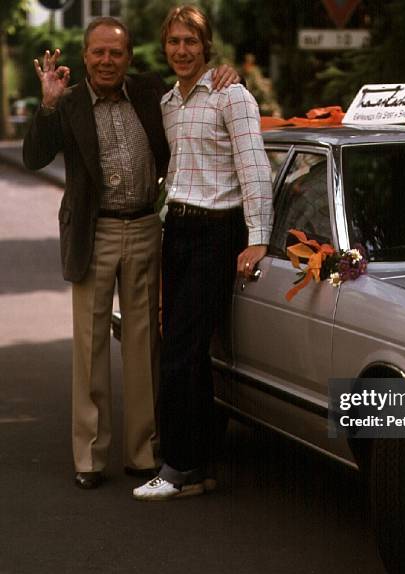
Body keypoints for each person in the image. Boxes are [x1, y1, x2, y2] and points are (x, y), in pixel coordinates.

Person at [22, 17, 239, 489]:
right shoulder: (70, 101)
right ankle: (90, 457)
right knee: (90, 346)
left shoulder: (149, 91)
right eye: (98, 53)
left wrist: (227, 73)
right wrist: (46, 105)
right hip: (93, 233)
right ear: (84, 57)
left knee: (144, 347)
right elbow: (34, 157)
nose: (106, 60)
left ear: (128, 59)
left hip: (144, 226)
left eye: (115, 53)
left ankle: (143, 452)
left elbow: (195, 91)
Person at [133, 5, 273, 500]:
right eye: (173, 42)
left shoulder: (231, 96)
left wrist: (257, 237)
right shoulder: (169, 101)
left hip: (218, 232)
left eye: (190, 42)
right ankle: (199, 460)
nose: (181, 51)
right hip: (180, 231)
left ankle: (181, 466)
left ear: (206, 46)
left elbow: (255, 169)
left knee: (182, 352)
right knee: (187, 349)